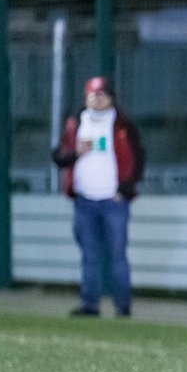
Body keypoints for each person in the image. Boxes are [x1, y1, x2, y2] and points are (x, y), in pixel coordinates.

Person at [51, 76, 146, 318]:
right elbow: (59, 156)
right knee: (89, 256)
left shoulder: (122, 125)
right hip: (85, 201)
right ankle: (89, 304)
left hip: (113, 202)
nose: (98, 99)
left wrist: (124, 190)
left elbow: (138, 159)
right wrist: (75, 153)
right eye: (93, 95)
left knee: (117, 255)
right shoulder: (75, 124)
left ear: (111, 98)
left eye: (102, 95)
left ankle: (122, 306)